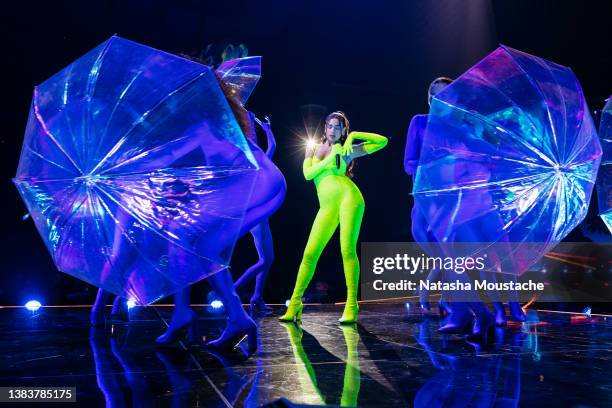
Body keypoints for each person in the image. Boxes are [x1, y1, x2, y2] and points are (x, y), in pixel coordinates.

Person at [280, 111, 387, 324]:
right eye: (330, 126)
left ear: (343, 130)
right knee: (309, 253)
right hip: (326, 206)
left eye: (338, 127)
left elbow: (382, 141)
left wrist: (354, 135)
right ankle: (295, 303)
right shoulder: (313, 148)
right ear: (325, 128)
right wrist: (330, 160)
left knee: (347, 249)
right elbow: (307, 174)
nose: (332, 130)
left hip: (350, 198)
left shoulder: (347, 150)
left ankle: (351, 304)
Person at [233, 113, 286, 313]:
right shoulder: (247, 159)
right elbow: (268, 147)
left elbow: (272, 147)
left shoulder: (259, 159)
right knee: (267, 258)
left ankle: (257, 297)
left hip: (260, 213)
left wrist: (267, 129)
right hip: (255, 213)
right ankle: (234, 290)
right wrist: (261, 129)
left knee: (267, 258)